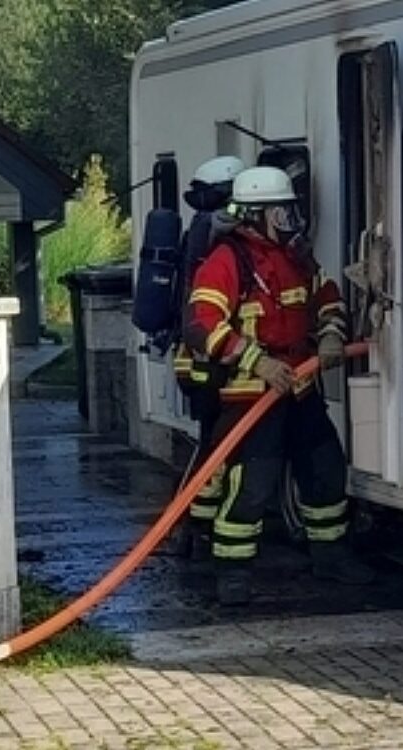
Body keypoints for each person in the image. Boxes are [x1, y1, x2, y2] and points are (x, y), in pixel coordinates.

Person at [184, 165, 373, 605]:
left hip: (300, 387)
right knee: (253, 484)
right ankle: (232, 572)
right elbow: (201, 324)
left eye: (291, 212)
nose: (290, 222)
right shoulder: (227, 260)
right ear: (254, 216)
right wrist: (257, 361)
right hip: (251, 393)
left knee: (325, 470)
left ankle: (331, 555)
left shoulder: (296, 257)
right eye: (280, 214)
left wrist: (331, 333)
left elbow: (327, 298)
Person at [170, 156, 246, 559]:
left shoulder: (198, 227)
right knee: (212, 448)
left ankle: (194, 526)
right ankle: (191, 525)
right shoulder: (215, 226)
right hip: (207, 364)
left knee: (212, 445)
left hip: (199, 362)